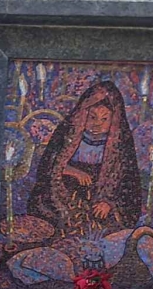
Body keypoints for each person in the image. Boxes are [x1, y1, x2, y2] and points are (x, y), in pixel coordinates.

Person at [27, 78, 143, 235]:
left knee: (99, 231)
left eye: (104, 119)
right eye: (92, 117)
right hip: (62, 197)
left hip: (97, 202)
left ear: (114, 120)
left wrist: (109, 203)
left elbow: (127, 185)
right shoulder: (68, 134)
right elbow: (47, 167)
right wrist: (70, 170)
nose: (97, 124)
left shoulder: (120, 145)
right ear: (83, 114)